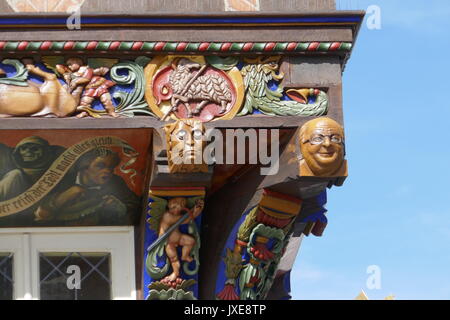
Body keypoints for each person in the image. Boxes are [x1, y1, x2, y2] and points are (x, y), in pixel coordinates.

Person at [35, 148, 139, 225]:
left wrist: (120, 207)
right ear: (84, 167)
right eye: (100, 166)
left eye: (111, 167)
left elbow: (135, 207)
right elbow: (37, 214)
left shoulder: (116, 182)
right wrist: (63, 197)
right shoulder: (62, 180)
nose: (107, 171)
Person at [158, 197, 204, 282]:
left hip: (178, 238)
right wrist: (193, 212)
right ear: (171, 207)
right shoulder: (167, 216)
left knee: (191, 241)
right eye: (177, 208)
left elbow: (187, 218)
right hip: (169, 242)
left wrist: (197, 210)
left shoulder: (176, 216)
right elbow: (185, 219)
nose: (178, 211)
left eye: (180, 208)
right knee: (174, 259)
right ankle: (175, 273)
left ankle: (184, 255)